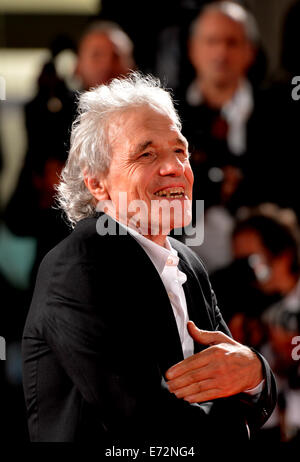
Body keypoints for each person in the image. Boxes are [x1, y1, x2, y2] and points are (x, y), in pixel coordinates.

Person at [22, 73, 276, 445]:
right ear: (97, 183)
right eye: (147, 153)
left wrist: (254, 371)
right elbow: (144, 424)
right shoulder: (78, 266)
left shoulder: (188, 262)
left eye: (180, 150)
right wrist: (235, 422)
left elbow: (239, 383)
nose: (174, 166)